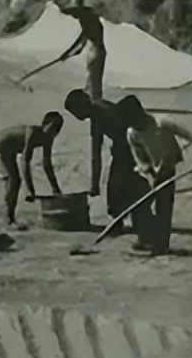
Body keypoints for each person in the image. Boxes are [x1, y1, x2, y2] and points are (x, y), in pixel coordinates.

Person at [64, 89, 154, 248]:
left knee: (131, 189)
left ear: (82, 105)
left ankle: (145, 233)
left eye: (76, 112)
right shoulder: (97, 112)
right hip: (124, 150)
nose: (77, 116)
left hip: (132, 149)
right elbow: (95, 154)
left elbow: (96, 155)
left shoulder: (100, 114)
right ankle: (122, 223)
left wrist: (94, 184)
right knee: (116, 189)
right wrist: (95, 183)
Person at [125, 107, 192, 255]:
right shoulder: (132, 132)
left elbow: (185, 133)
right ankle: (147, 237)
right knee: (140, 203)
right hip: (149, 169)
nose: (136, 125)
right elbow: (139, 155)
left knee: (164, 205)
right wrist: (149, 172)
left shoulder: (162, 123)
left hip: (168, 164)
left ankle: (161, 243)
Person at [56, 0, 107, 197]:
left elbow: (81, 42)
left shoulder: (90, 22)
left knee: (94, 83)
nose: (73, 16)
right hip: (94, 53)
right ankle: (93, 100)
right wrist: (67, 54)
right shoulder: (89, 21)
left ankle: (94, 104)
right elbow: (81, 44)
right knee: (90, 81)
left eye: (75, 13)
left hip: (96, 53)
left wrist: (67, 53)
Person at [0, 111, 65, 226]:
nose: (52, 131)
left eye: (56, 128)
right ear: (44, 124)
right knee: (14, 180)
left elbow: (47, 164)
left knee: (14, 181)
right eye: (51, 126)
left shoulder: (48, 139)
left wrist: (55, 188)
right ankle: (9, 218)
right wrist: (30, 190)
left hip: (10, 150)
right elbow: (25, 162)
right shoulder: (32, 133)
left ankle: (8, 216)